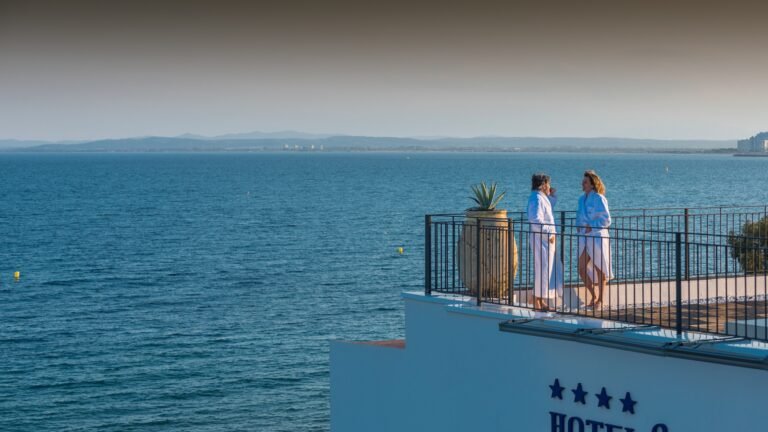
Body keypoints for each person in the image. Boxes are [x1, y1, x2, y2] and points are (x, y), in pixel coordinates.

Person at [576, 170, 613, 308]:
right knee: (581, 268)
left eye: (585, 182)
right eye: (583, 181)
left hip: (597, 237)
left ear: (592, 184)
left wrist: (592, 226)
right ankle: (594, 295)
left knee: (600, 268)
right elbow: (579, 216)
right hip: (584, 238)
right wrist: (578, 226)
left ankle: (600, 300)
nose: (582, 184)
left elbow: (606, 219)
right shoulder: (581, 199)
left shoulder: (599, 198)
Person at [527, 173, 563, 311]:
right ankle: (537, 301)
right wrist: (549, 234)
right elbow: (535, 220)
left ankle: (541, 300)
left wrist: (552, 195)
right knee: (542, 269)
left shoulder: (541, 198)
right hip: (542, 240)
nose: (549, 186)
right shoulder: (536, 199)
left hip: (546, 240)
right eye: (548, 184)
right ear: (543, 185)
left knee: (545, 269)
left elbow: (549, 206)